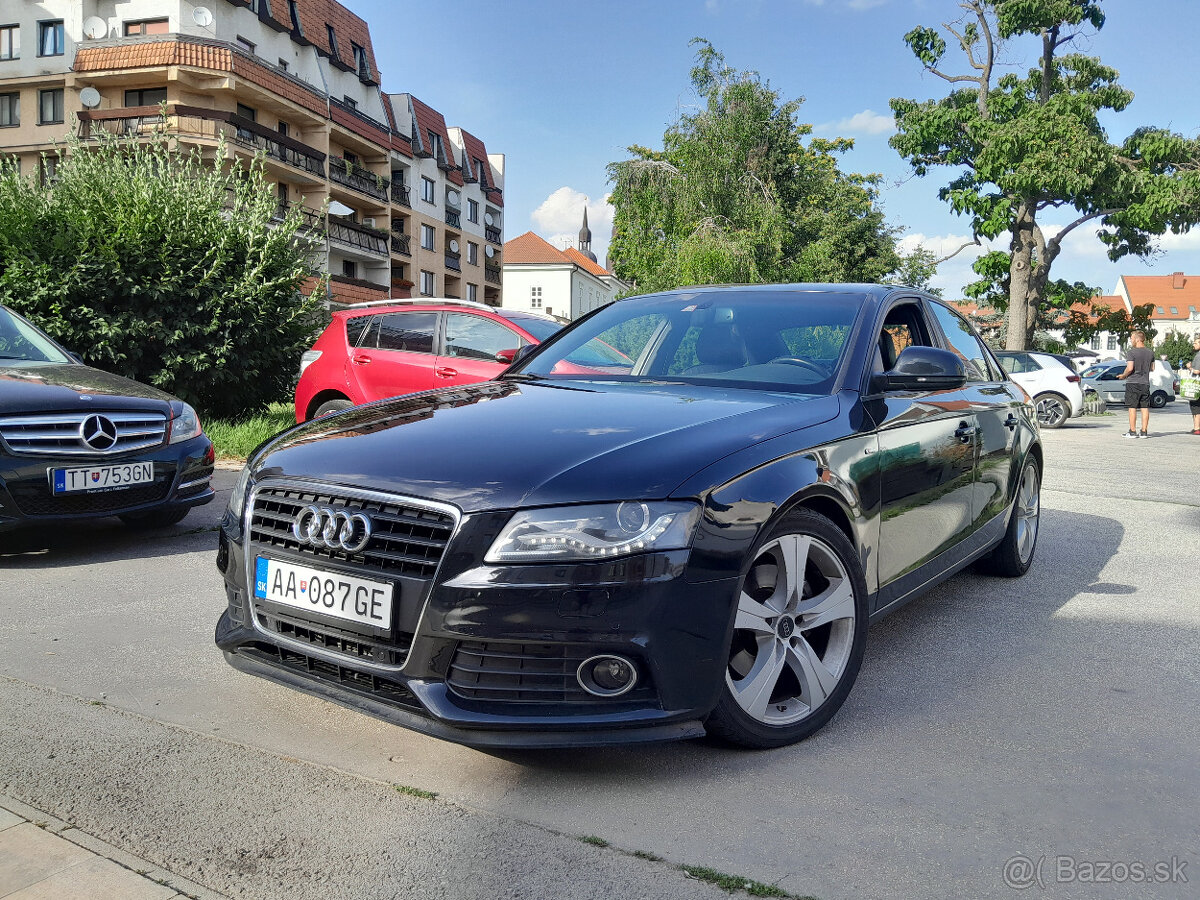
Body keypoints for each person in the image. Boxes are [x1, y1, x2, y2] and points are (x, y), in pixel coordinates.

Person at [1116, 330, 1156, 438]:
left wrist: (1123, 376)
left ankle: (1132, 431)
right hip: (1145, 383)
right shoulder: (1150, 352)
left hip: (1133, 382)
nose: (1131, 340)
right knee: (1145, 407)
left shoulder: (1131, 352)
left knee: (1132, 407)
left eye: (1132, 338)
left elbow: (1129, 368)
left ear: (1138, 339)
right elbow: (1152, 368)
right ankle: (1144, 431)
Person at [1186, 333, 1200, 436]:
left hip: (1197, 384)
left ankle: (1197, 427)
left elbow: (1197, 371)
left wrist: (1190, 367)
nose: (1193, 345)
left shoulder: (1198, 356)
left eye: (1195, 343)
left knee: (1195, 405)